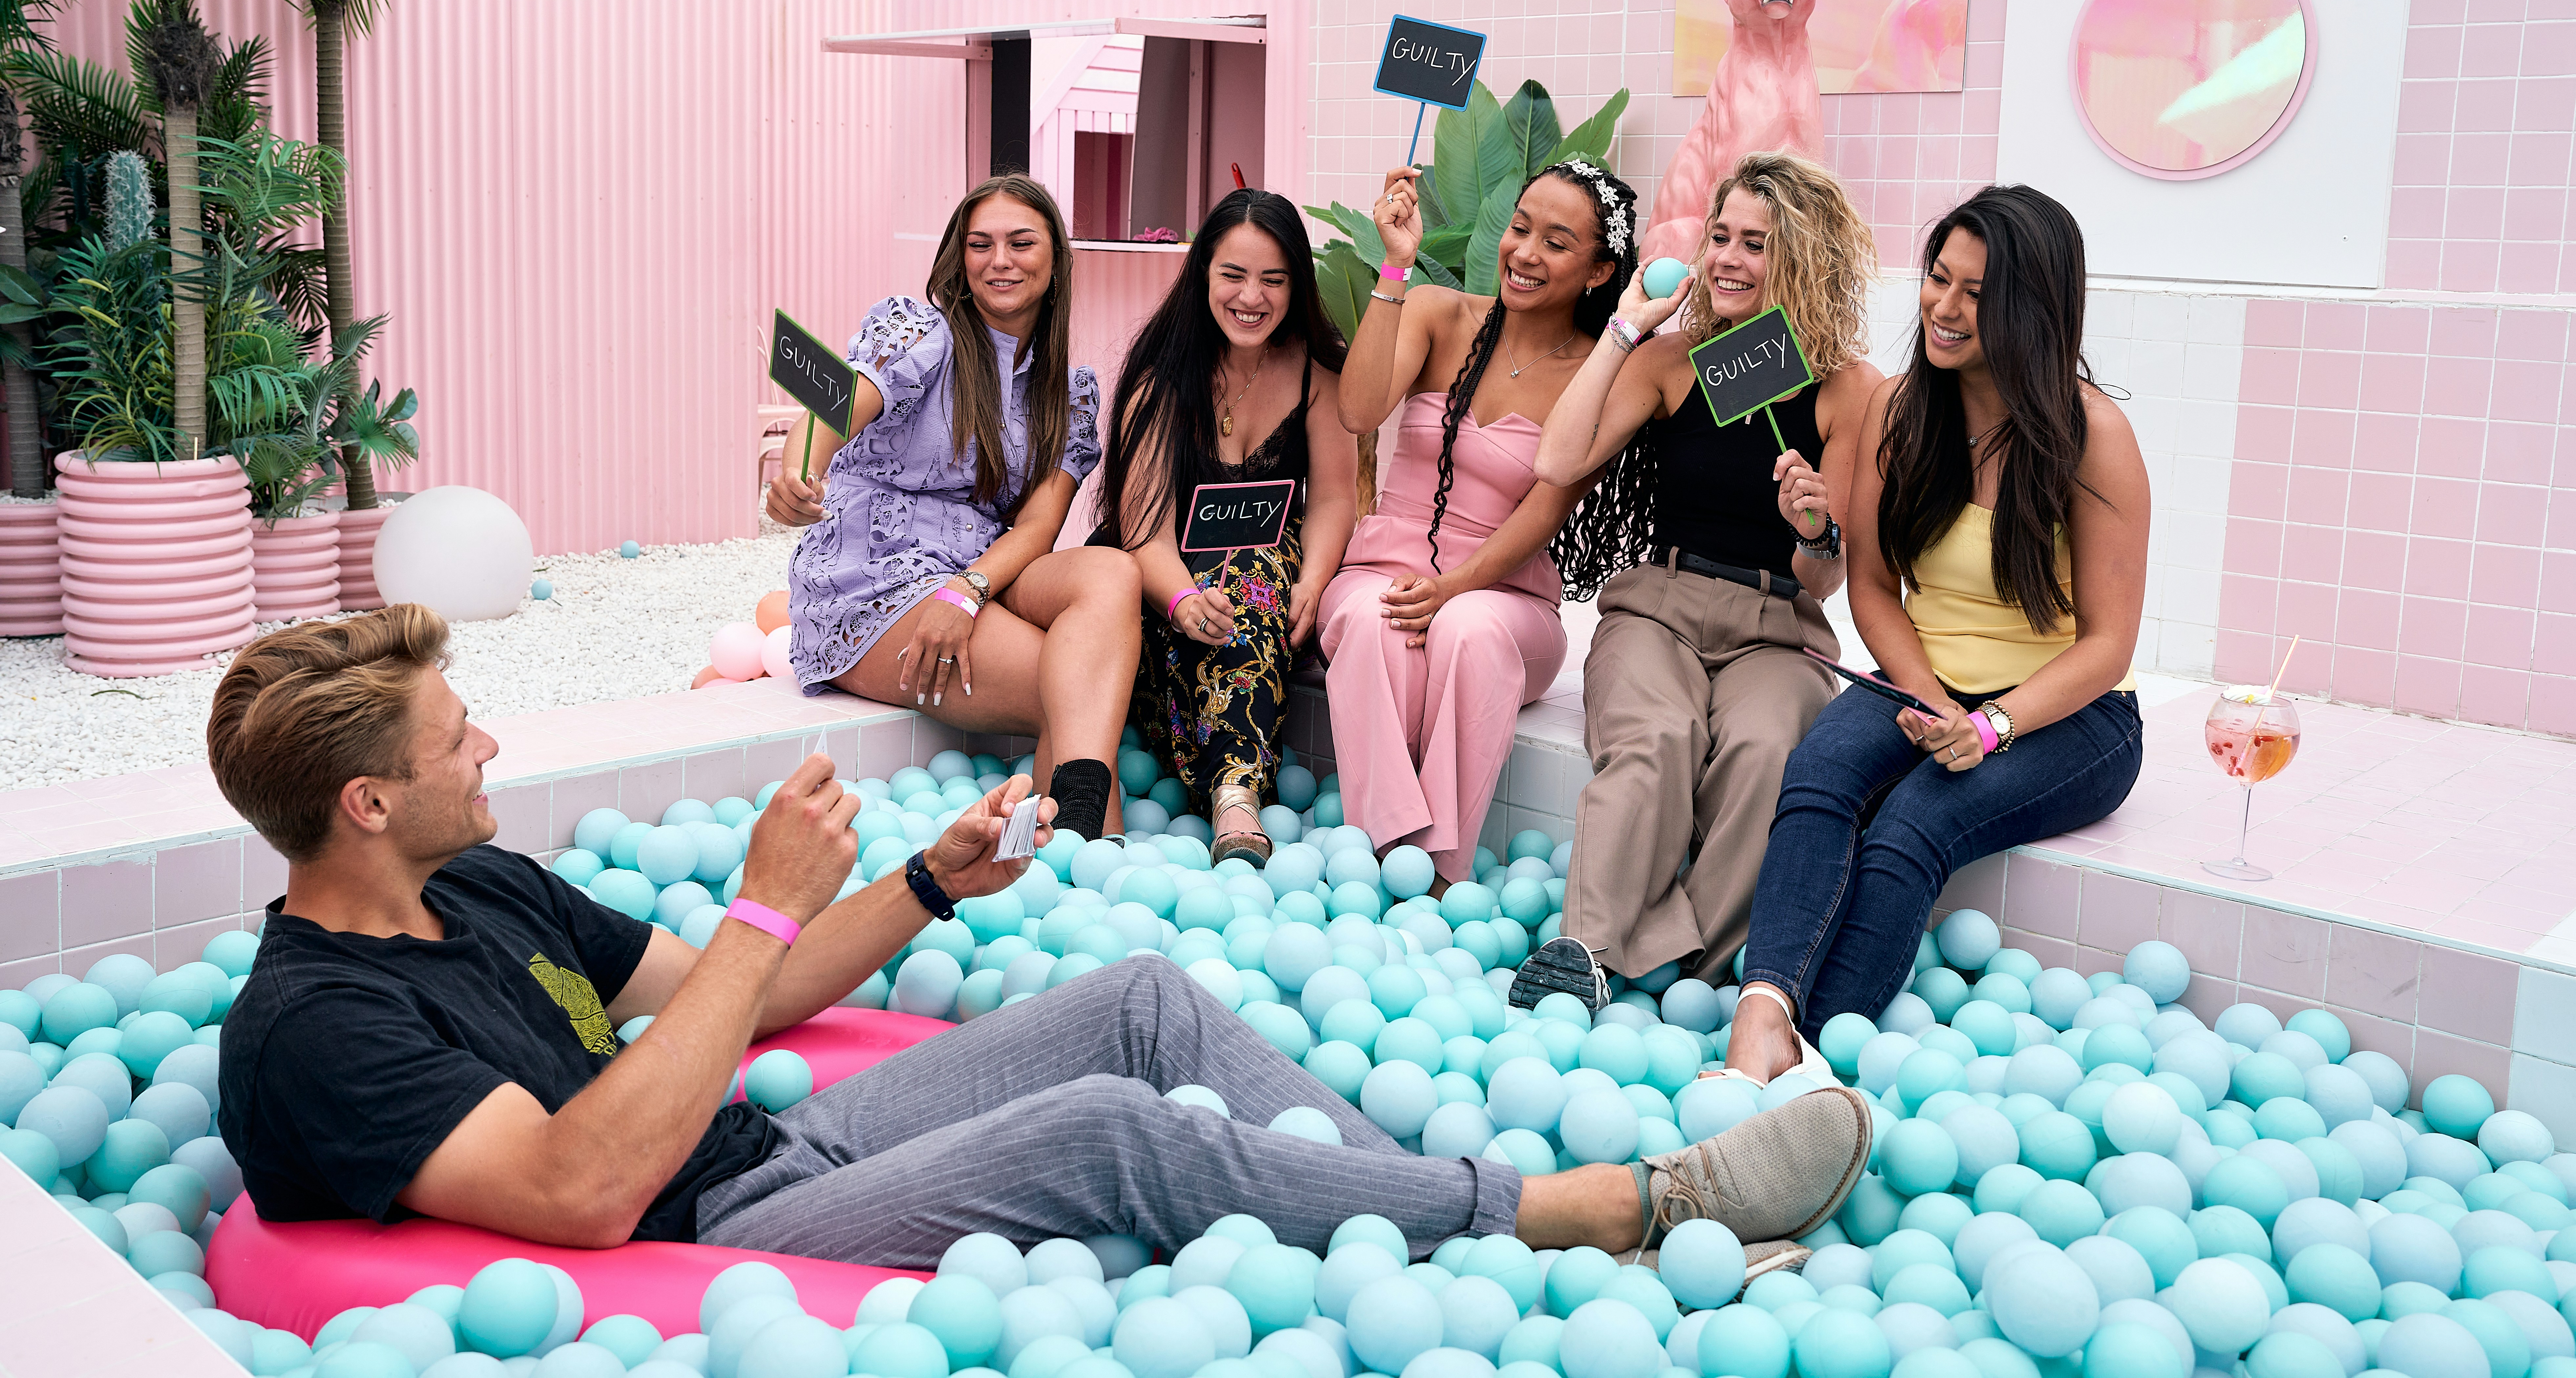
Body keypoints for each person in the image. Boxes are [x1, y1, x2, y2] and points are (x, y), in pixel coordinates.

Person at [205, 607, 1874, 1268]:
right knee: (1106, 1136)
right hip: (691, 1235)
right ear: (362, 804)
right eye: (453, 740)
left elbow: (758, 995)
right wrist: (764, 897)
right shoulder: (316, 1031)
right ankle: (1603, 1211)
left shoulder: (478, 886)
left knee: (1139, 999)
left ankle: (1431, 1223)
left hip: (753, 1142)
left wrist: (922, 886)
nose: (488, 750)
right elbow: (584, 1195)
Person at [1725, 184, 2149, 1082]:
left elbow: (2109, 644)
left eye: (1976, 293)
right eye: (1936, 278)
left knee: (1913, 821)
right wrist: (1925, 697)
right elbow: (1874, 588)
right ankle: (1760, 1016)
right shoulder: (1901, 410)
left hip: (2067, 715)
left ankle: (1815, 1058)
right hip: (1923, 680)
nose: (1943, 309)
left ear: (2033, 308)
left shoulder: (2094, 436)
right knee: (1820, 773)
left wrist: (1987, 726)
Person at [1516, 154, 1881, 1010]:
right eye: (1720, 235)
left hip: (1776, 620)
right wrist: (1626, 326)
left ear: (1804, 259)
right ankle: (1587, 954)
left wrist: (1817, 528)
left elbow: (1826, 579)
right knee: (1654, 738)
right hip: (1659, 610)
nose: (1725, 258)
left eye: (1755, 244)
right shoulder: (1674, 359)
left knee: (1765, 755)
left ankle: (1694, 977)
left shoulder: (1849, 389)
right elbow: (1558, 457)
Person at [765, 175, 1139, 840]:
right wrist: (800, 472)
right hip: (876, 580)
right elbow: (837, 404)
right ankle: (1082, 854)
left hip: (976, 573)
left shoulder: (1070, 393)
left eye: (1022, 243)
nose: (1001, 259)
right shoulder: (922, 334)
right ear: (960, 261)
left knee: (1111, 574)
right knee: (1074, 690)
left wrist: (966, 593)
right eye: (981, 244)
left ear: (1055, 262)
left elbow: (1038, 528)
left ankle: (1065, 850)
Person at [1324, 159, 1655, 891]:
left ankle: (1441, 870)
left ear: (1600, 270)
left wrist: (1451, 588)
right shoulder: (1439, 312)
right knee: (1373, 619)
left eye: (1558, 242)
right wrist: (1394, 268)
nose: (1526, 252)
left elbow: (1545, 514)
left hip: (1505, 597)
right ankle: (1385, 849)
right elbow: (1357, 410)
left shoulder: (1597, 373)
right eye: (1520, 227)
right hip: (1383, 569)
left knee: (1466, 629)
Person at [1093, 189, 1358, 866]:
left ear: (1296, 283)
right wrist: (1182, 602)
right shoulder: (1162, 381)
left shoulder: (1317, 374)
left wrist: (1315, 579)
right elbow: (1142, 529)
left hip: (1266, 583)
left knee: (1253, 575)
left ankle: (1234, 795)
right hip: (1164, 586)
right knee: (1225, 586)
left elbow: (1332, 498)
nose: (1252, 296)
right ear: (1203, 274)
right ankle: (1232, 792)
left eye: (1273, 279)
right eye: (1233, 275)